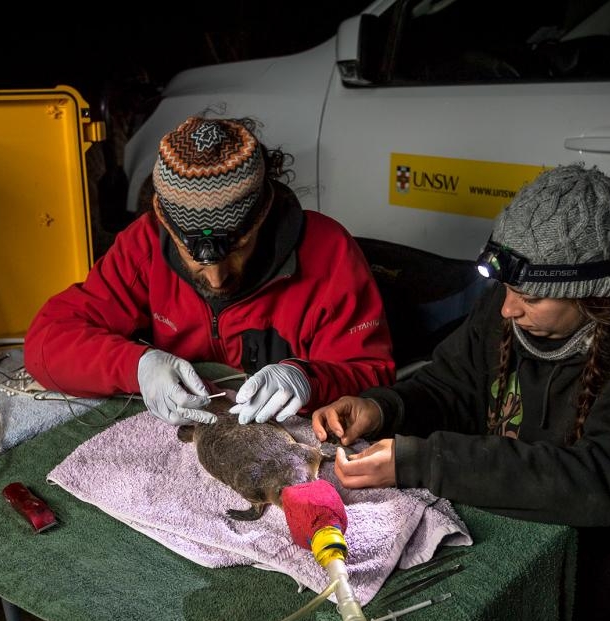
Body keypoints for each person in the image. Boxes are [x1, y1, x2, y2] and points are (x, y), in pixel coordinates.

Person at [311, 163, 610, 621]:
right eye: (506, 288)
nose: (507, 308)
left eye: (531, 298)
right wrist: (382, 408)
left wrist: (425, 462)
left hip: (598, 564)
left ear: (594, 296)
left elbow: (601, 483)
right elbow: (450, 387)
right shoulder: (508, 311)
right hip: (506, 530)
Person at [24, 115, 394, 426]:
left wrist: (309, 379)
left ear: (262, 219)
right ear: (167, 226)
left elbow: (373, 371)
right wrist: (136, 365)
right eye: (194, 255)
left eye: (236, 249)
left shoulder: (329, 251)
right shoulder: (145, 244)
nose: (217, 278)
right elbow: (46, 343)